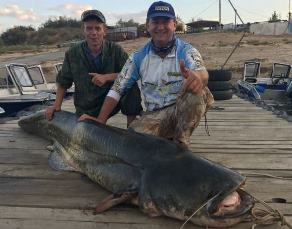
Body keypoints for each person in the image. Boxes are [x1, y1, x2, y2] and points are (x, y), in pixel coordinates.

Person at [79, 1, 214, 147]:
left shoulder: (188, 51)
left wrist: (199, 78)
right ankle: (165, 136)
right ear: (148, 25)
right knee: (132, 142)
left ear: (174, 24)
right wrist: (100, 120)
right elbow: (117, 89)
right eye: (155, 21)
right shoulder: (138, 57)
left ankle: (181, 142)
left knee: (199, 92)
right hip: (154, 116)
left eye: (166, 21)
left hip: (180, 110)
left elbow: (202, 72)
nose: (160, 27)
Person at [45, 9, 142, 125]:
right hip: (86, 106)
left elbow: (130, 73)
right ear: (83, 31)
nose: (93, 33)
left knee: (130, 86)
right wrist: (56, 106)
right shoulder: (72, 53)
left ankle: (131, 128)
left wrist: (107, 77)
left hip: (111, 103)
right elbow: (63, 82)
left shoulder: (116, 50)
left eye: (97, 28)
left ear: (104, 30)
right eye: (89, 28)